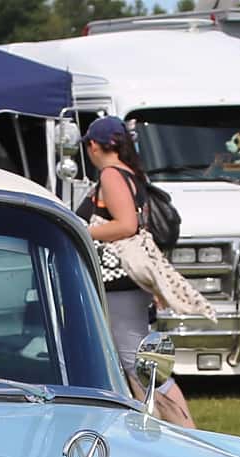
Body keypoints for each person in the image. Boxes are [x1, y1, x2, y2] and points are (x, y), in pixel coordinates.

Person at [78, 115, 197, 429]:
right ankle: (154, 426)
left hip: (119, 284)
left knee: (138, 363)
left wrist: (82, 230)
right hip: (130, 284)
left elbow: (127, 225)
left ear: (93, 146)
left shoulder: (112, 176)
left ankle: (187, 431)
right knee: (133, 362)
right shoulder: (131, 175)